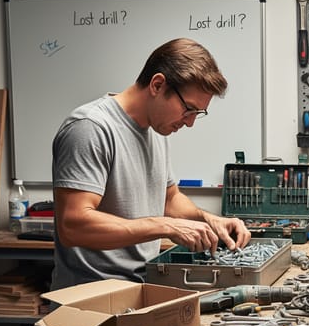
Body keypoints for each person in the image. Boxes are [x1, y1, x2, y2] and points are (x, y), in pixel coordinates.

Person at [52, 38, 251, 290]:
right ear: (157, 85)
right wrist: (166, 226)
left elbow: (168, 200)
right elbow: (73, 225)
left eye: (197, 114)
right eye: (188, 109)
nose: (189, 123)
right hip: (93, 294)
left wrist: (210, 220)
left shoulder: (156, 130)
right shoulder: (90, 128)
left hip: (144, 282)